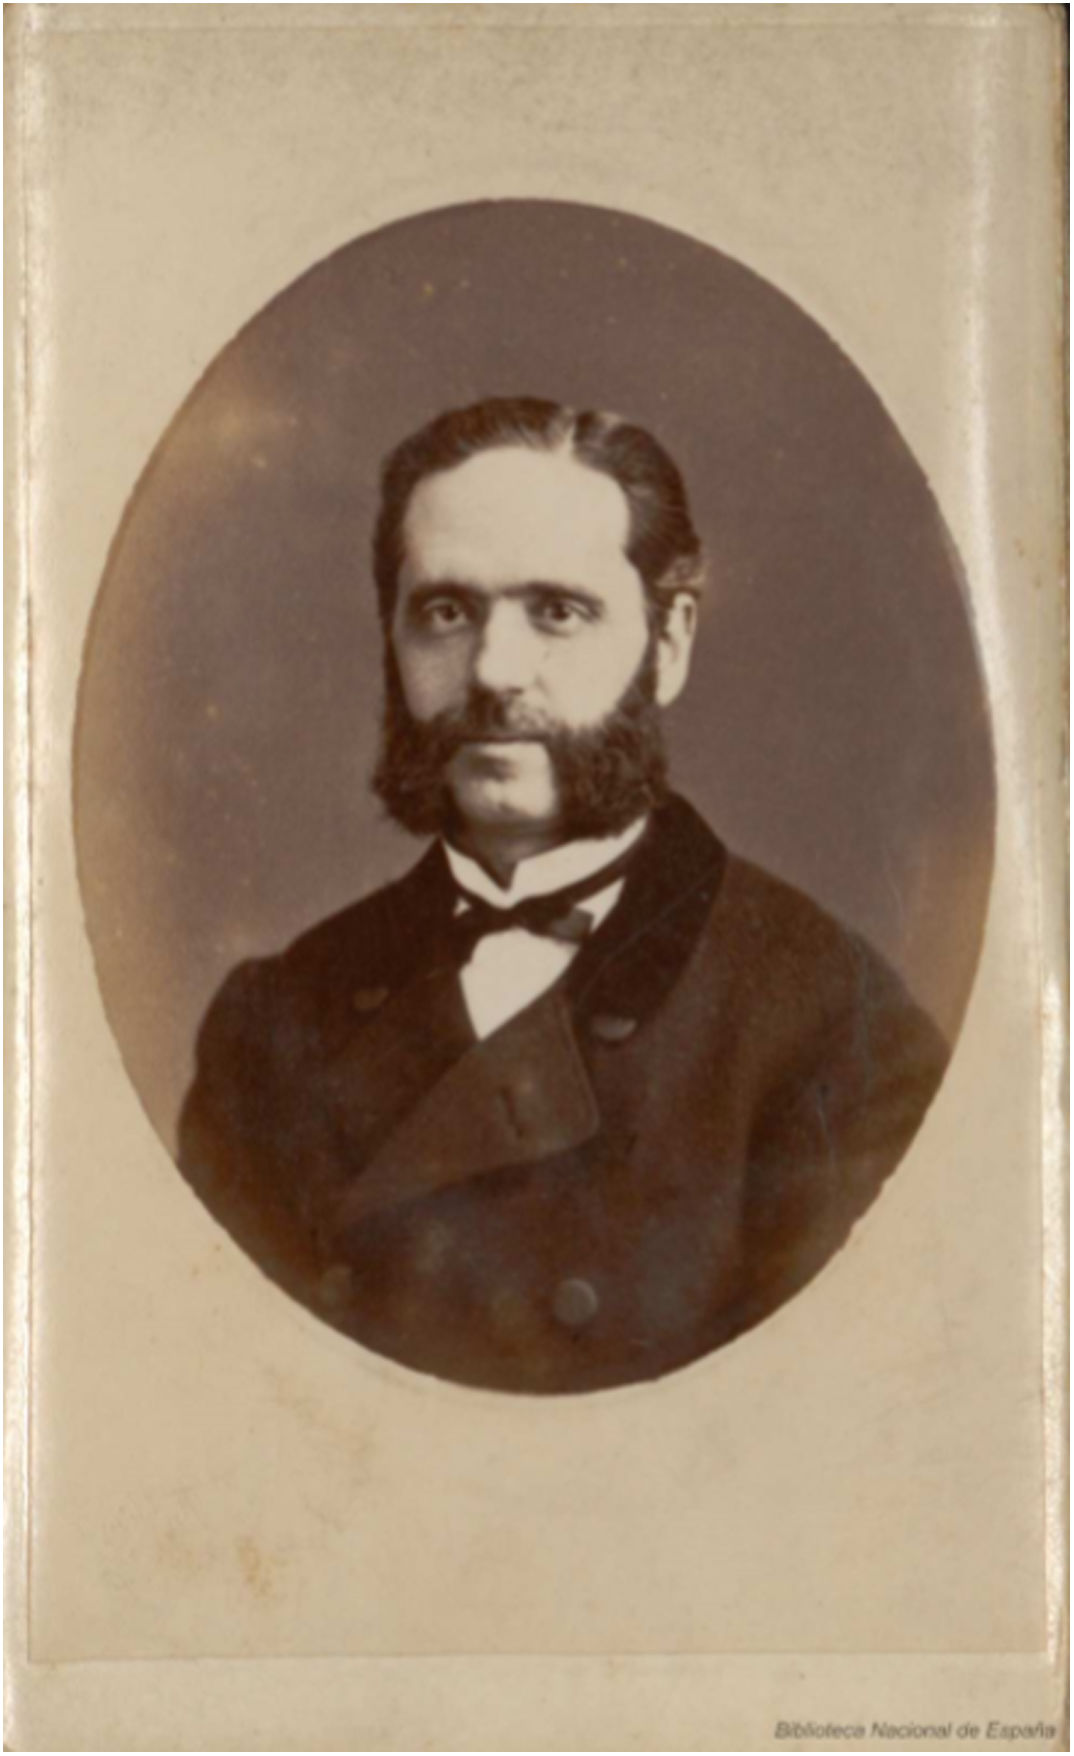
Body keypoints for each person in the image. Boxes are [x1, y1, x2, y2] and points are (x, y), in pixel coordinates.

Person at [178, 396, 949, 1395]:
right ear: (391, 635)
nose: (494, 673)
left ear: (669, 642)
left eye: (557, 611)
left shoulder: (838, 1034)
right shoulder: (269, 1025)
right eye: (446, 612)